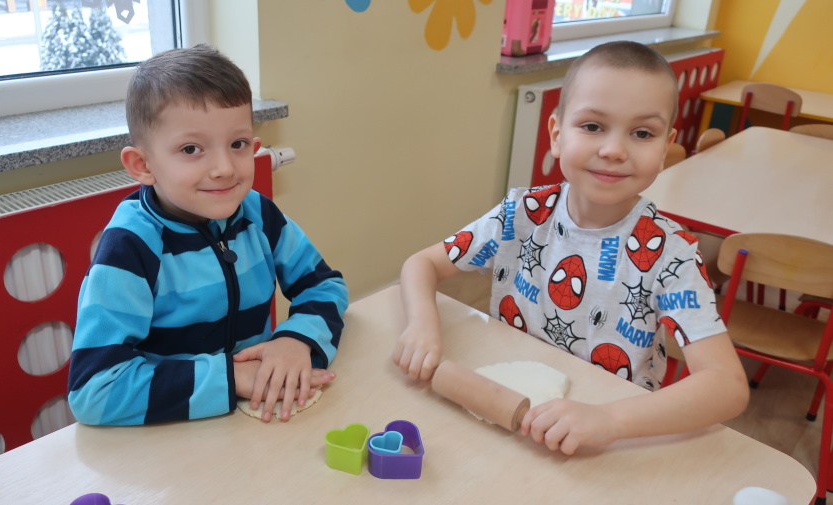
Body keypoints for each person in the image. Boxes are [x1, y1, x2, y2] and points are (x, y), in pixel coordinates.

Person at [392, 41, 748, 455]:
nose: (613, 150)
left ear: (665, 148)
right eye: (593, 126)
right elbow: (422, 264)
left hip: (604, 436)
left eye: (642, 133)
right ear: (557, 135)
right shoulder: (521, 213)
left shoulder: (671, 255)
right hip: (507, 409)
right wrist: (422, 324)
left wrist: (611, 420)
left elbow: (727, 387)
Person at [69, 45, 348, 426]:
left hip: (255, 420)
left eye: (237, 145)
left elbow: (325, 286)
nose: (223, 168)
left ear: (254, 148)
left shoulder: (259, 214)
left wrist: (296, 339)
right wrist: (234, 378)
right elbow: (94, 389)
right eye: (191, 149)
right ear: (143, 165)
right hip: (169, 434)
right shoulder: (129, 248)